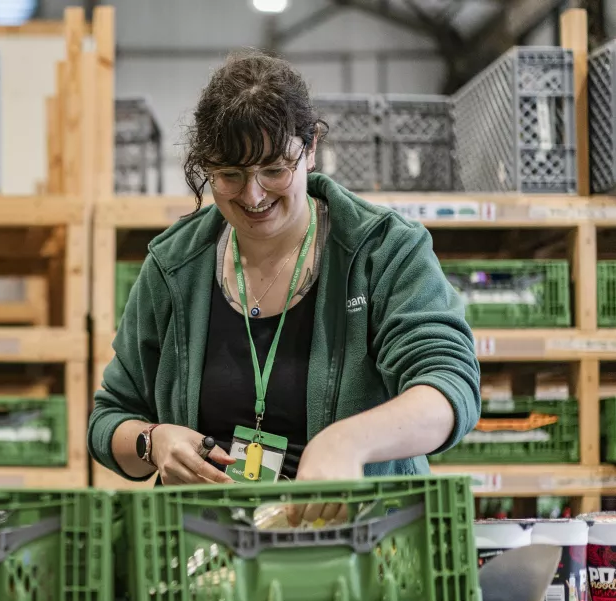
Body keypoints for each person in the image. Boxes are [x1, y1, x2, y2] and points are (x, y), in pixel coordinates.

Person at [88, 53, 481, 486]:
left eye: (274, 169)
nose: (253, 195)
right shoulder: (174, 267)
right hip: (208, 541)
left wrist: (347, 443)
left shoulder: (382, 251)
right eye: (230, 174)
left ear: (310, 148)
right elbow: (109, 418)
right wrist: (153, 439)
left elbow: (449, 385)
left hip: (356, 535)